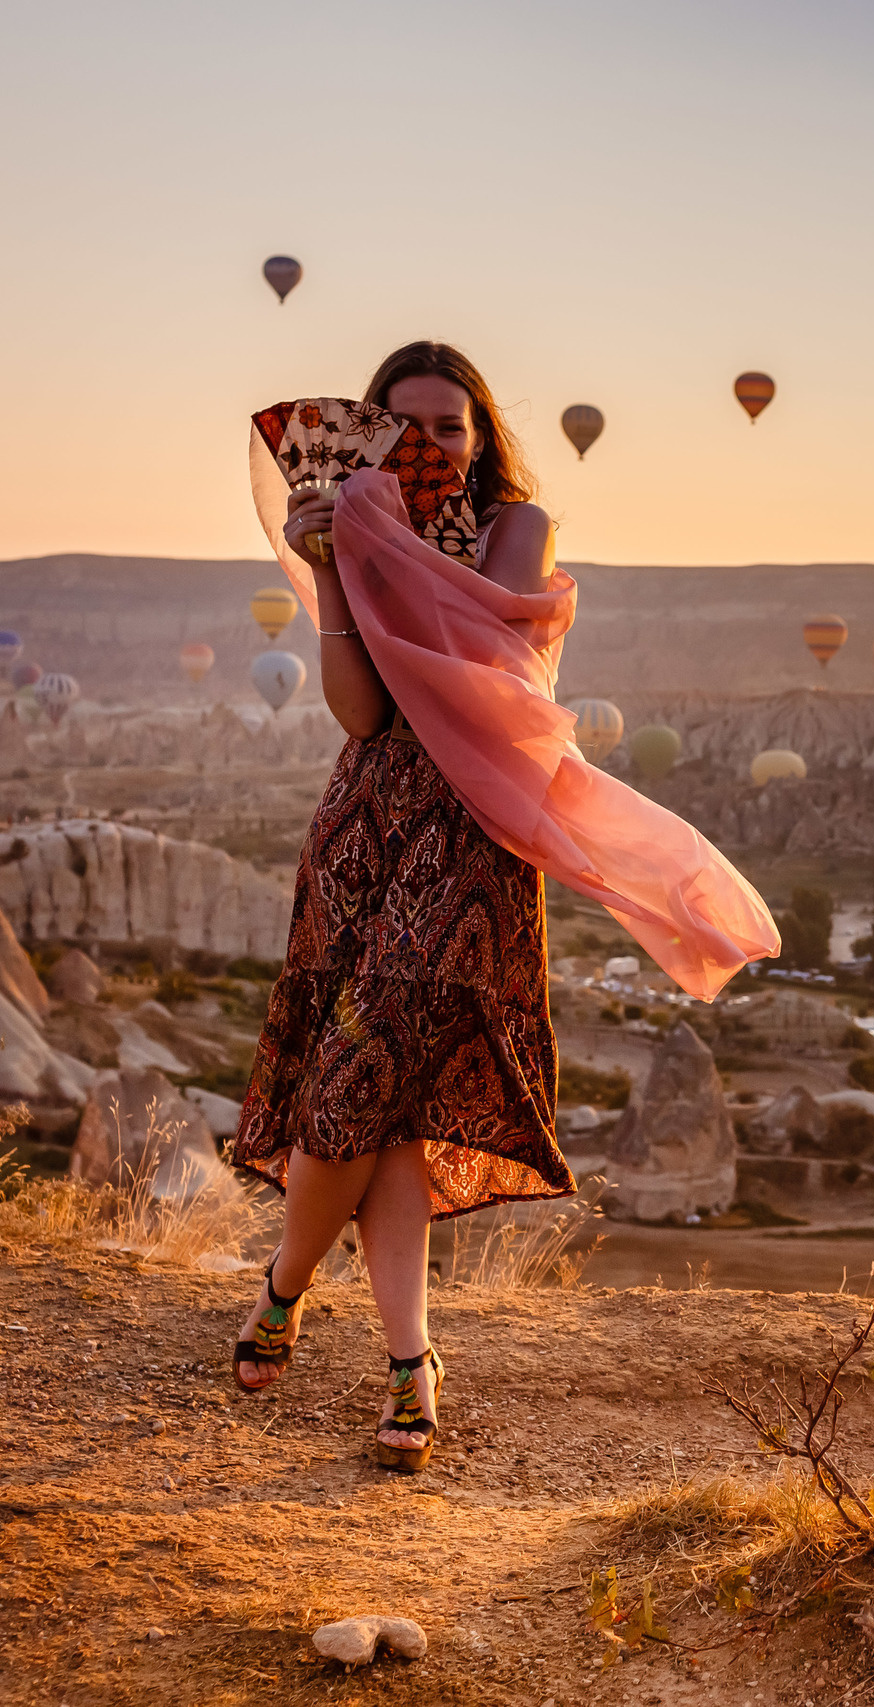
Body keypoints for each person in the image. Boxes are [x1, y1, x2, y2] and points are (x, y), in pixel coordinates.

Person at [229, 342, 569, 1473]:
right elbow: (364, 718)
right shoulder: (359, 535)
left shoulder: (518, 527)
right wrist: (331, 569)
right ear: (368, 432)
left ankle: (285, 1292)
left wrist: (394, 551)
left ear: (482, 438)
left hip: (472, 837)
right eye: (404, 426)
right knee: (371, 1115)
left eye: (450, 426)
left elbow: (481, 666)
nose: (428, 449)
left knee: (361, 1082)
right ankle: (407, 1366)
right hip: (368, 828)